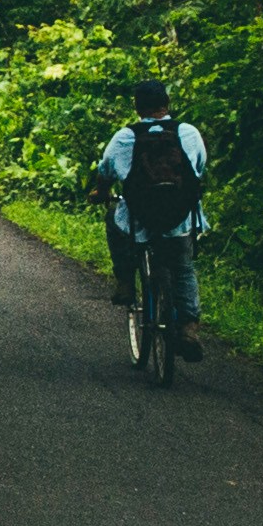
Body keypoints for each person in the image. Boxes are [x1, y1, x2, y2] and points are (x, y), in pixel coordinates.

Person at [87, 77, 212, 357]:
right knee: (183, 268)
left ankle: (126, 282)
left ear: (137, 107)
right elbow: (199, 170)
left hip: (139, 220)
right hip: (179, 218)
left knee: (113, 219)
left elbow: (106, 170)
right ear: (167, 104)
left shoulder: (125, 137)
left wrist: (100, 191)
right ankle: (189, 327)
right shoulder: (188, 133)